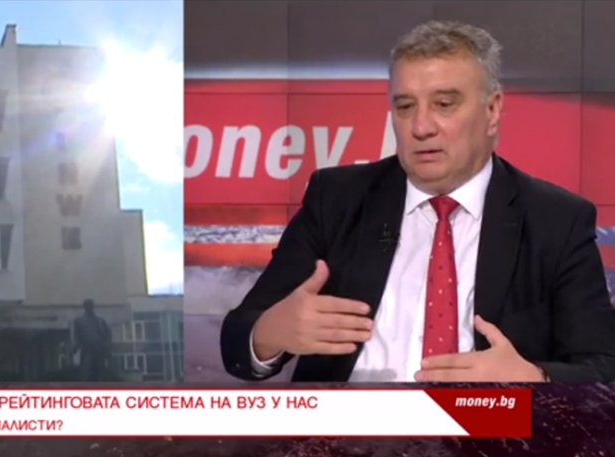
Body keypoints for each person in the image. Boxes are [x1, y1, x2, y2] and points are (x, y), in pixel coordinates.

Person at [220, 20, 615, 384]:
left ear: (493, 110)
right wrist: (270, 333)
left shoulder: (556, 220)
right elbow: (238, 341)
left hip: (487, 433)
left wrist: (534, 379)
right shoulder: (336, 199)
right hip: (345, 433)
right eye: (405, 106)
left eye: (444, 104)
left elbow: (603, 368)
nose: (421, 127)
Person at [72, 299, 112, 381]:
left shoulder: (100, 321)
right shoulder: (79, 321)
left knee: (99, 373)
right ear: (85, 307)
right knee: (86, 372)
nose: (89, 308)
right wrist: (74, 348)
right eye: (88, 306)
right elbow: (77, 337)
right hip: (87, 349)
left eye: (90, 306)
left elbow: (108, 334)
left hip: (99, 349)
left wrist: (107, 345)